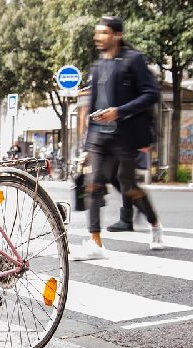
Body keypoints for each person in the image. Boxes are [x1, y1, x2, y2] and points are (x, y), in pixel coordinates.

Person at [72, 16, 164, 261]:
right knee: (93, 185)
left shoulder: (133, 60)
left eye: (103, 33)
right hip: (99, 137)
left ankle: (154, 224)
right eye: (97, 33)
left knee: (128, 186)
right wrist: (86, 147)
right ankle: (96, 243)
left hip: (125, 135)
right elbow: (93, 108)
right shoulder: (97, 66)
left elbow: (151, 94)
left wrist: (119, 112)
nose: (97, 37)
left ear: (117, 35)